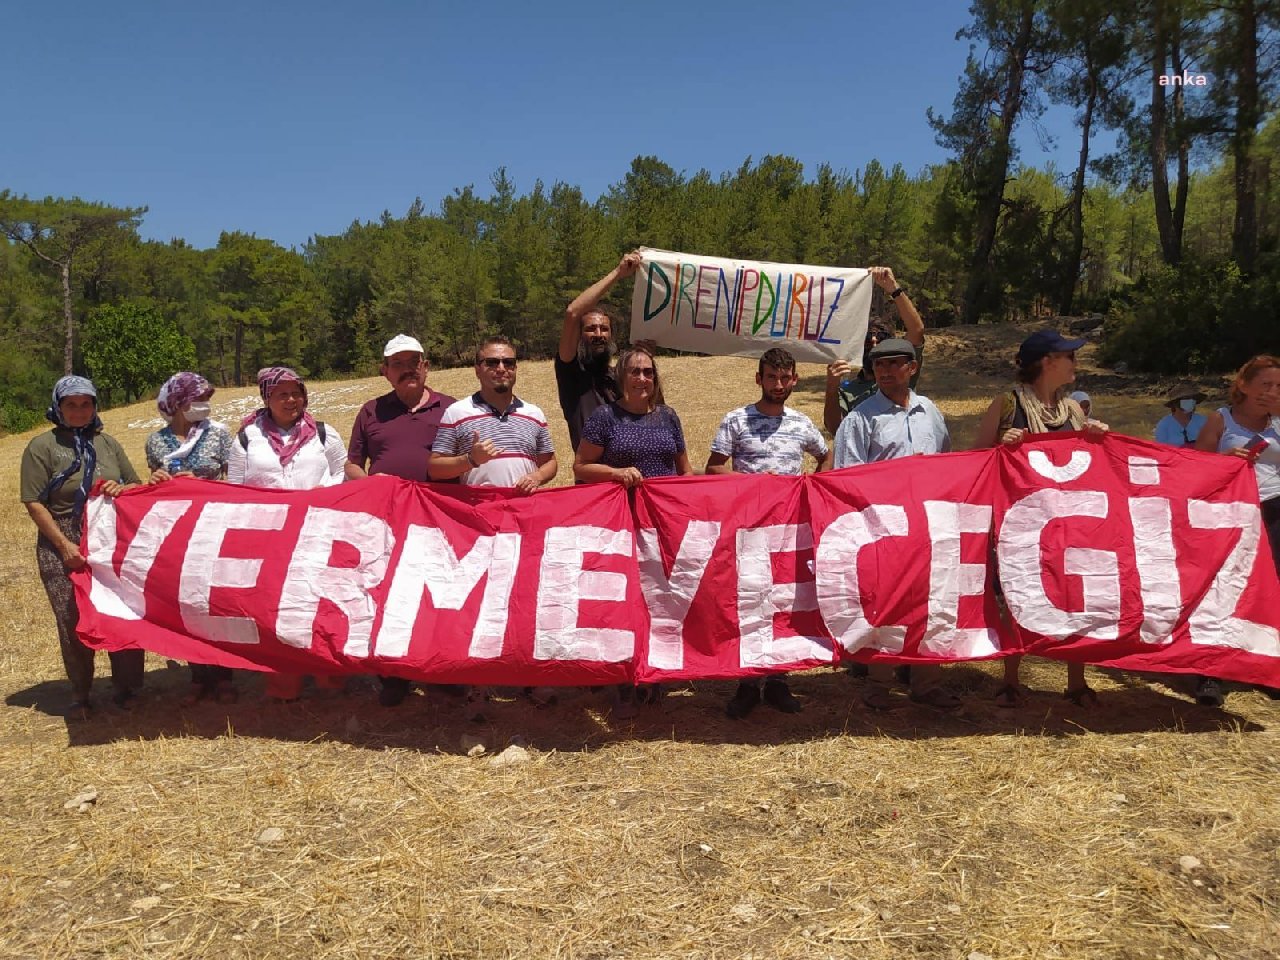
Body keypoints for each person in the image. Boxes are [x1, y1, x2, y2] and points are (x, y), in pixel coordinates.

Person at [973, 329, 1108, 708]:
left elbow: (1089, 467)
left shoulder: (1074, 410)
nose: (1075, 364)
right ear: (1048, 362)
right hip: (1021, 522)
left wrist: (1099, 439)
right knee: (1018, 595)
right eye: (1069, 356)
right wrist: (1002, 447)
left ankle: (1076, 682)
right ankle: (1011, 679)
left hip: (1068, 522)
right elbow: (976, 460)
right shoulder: (1006, 404)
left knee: (1075, 594)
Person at [833, 338, 960, 711]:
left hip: (928, 527)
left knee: (931, 603)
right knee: (885, 604)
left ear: (912, 368)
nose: (885, 372)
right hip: (883, 529)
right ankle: (879, 684)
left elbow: (947, 461)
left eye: (894, 364)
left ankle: (927, 681)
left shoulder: (931, 412)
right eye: (879, 366)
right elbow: (847, 478)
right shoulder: (859, 419)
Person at [707, 347, 832, 718]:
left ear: (793, 380)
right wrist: (754, 483)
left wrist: (815, 485)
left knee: (785, 603)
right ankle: (746, 683)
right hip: (747, 529)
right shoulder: (736, 420)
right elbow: (713, 470)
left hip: (789, 532)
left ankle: (778, 681)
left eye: (785, 378)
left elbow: (825, 455)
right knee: (747, 602)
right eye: (771, 377)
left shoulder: (801, 423)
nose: (778, 384)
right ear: (758, 378)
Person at [575, 345, 693, 716]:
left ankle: (656, 672)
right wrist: (616, 474)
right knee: (626, 601)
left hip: (661, 525)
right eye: (635, 371)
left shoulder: (668, 417)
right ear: (621, 376)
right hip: (621, 523)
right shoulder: (605, 417)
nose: (642, 378)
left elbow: (684, 472)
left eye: (648, 372)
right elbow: (580, 467)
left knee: (660, 597)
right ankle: (624, 678)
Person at [20, 376, 144, 718]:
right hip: (62, 536)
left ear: (94, 406)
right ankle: (81, 692)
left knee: (120, 612)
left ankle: (128, 687)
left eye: (85, 403)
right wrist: (64, 546)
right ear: (58, 406)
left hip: (109, 536)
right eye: (71, 404)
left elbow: (133, 482)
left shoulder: (107, 443)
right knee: (72, 618)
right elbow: (33, 502)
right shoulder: (41, 446)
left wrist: (123, 488)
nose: (78, 410)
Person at [346, 334, 457, 707]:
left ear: (426, 366)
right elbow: (351, 464)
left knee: (439, 595)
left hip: (438, 521)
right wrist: (371, 486)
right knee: (388, 594)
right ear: (385, 371)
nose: (407, 368)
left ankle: (443, 671)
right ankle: (393, 674)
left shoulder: (451, 409)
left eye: (414, 361)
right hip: (386, 522)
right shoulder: (371, 411)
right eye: (398, 363)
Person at [229, 366, 347, 701]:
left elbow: (340, 472)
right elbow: (236, 487)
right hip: (269, 539)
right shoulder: (246, 439)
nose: (291, 400)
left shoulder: (324, 433)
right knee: (275, 609)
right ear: (266, 397)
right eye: (282, 394)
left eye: (297, 392)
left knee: (321, 605)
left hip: (317, 535)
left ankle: (329, 677)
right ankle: (284, 683)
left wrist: (323, 499)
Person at [1193, 355, 1280, 706]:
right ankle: (1209, 671)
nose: (1271, 393)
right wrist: (1225, 459)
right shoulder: (1220, 418)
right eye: (1265, 385)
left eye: (1278, 387)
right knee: (1222, 588)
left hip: (1276, 508)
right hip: (1230, 512)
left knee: (1272, 589)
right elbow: (1194, 467)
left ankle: (1264, 667)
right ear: (1243, 385)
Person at [145, 371, 237, 705]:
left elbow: (235, 481)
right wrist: (158, 479)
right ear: (177, 404)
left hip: (215, 526)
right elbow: (152, 490)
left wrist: (201, 482)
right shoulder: (156, 442)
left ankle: (224, 675)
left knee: (217, 601)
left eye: (205, 400)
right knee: (187, 601)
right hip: (177, 532)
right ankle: (198, 675)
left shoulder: (220, 437)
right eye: (195, 401)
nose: (203, 406)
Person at [428, 336, 558, 490]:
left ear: (515, 368)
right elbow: (435, 469)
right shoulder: (456, 413)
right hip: (479, 509)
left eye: (508, 362)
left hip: (523, 509)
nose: (501, 368)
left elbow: (550, 462)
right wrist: (470, 459)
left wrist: (537, 477)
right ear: (477, 370)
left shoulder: (534, 414)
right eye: (492, 362)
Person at [823, 266, 925, 436]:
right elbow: (835, 429)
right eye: (868, 338)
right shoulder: (848, 391)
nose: (874, 341)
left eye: (880, 337)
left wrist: (893, 289)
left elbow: (917, 331)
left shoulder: (900, 376)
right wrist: (831, 388)